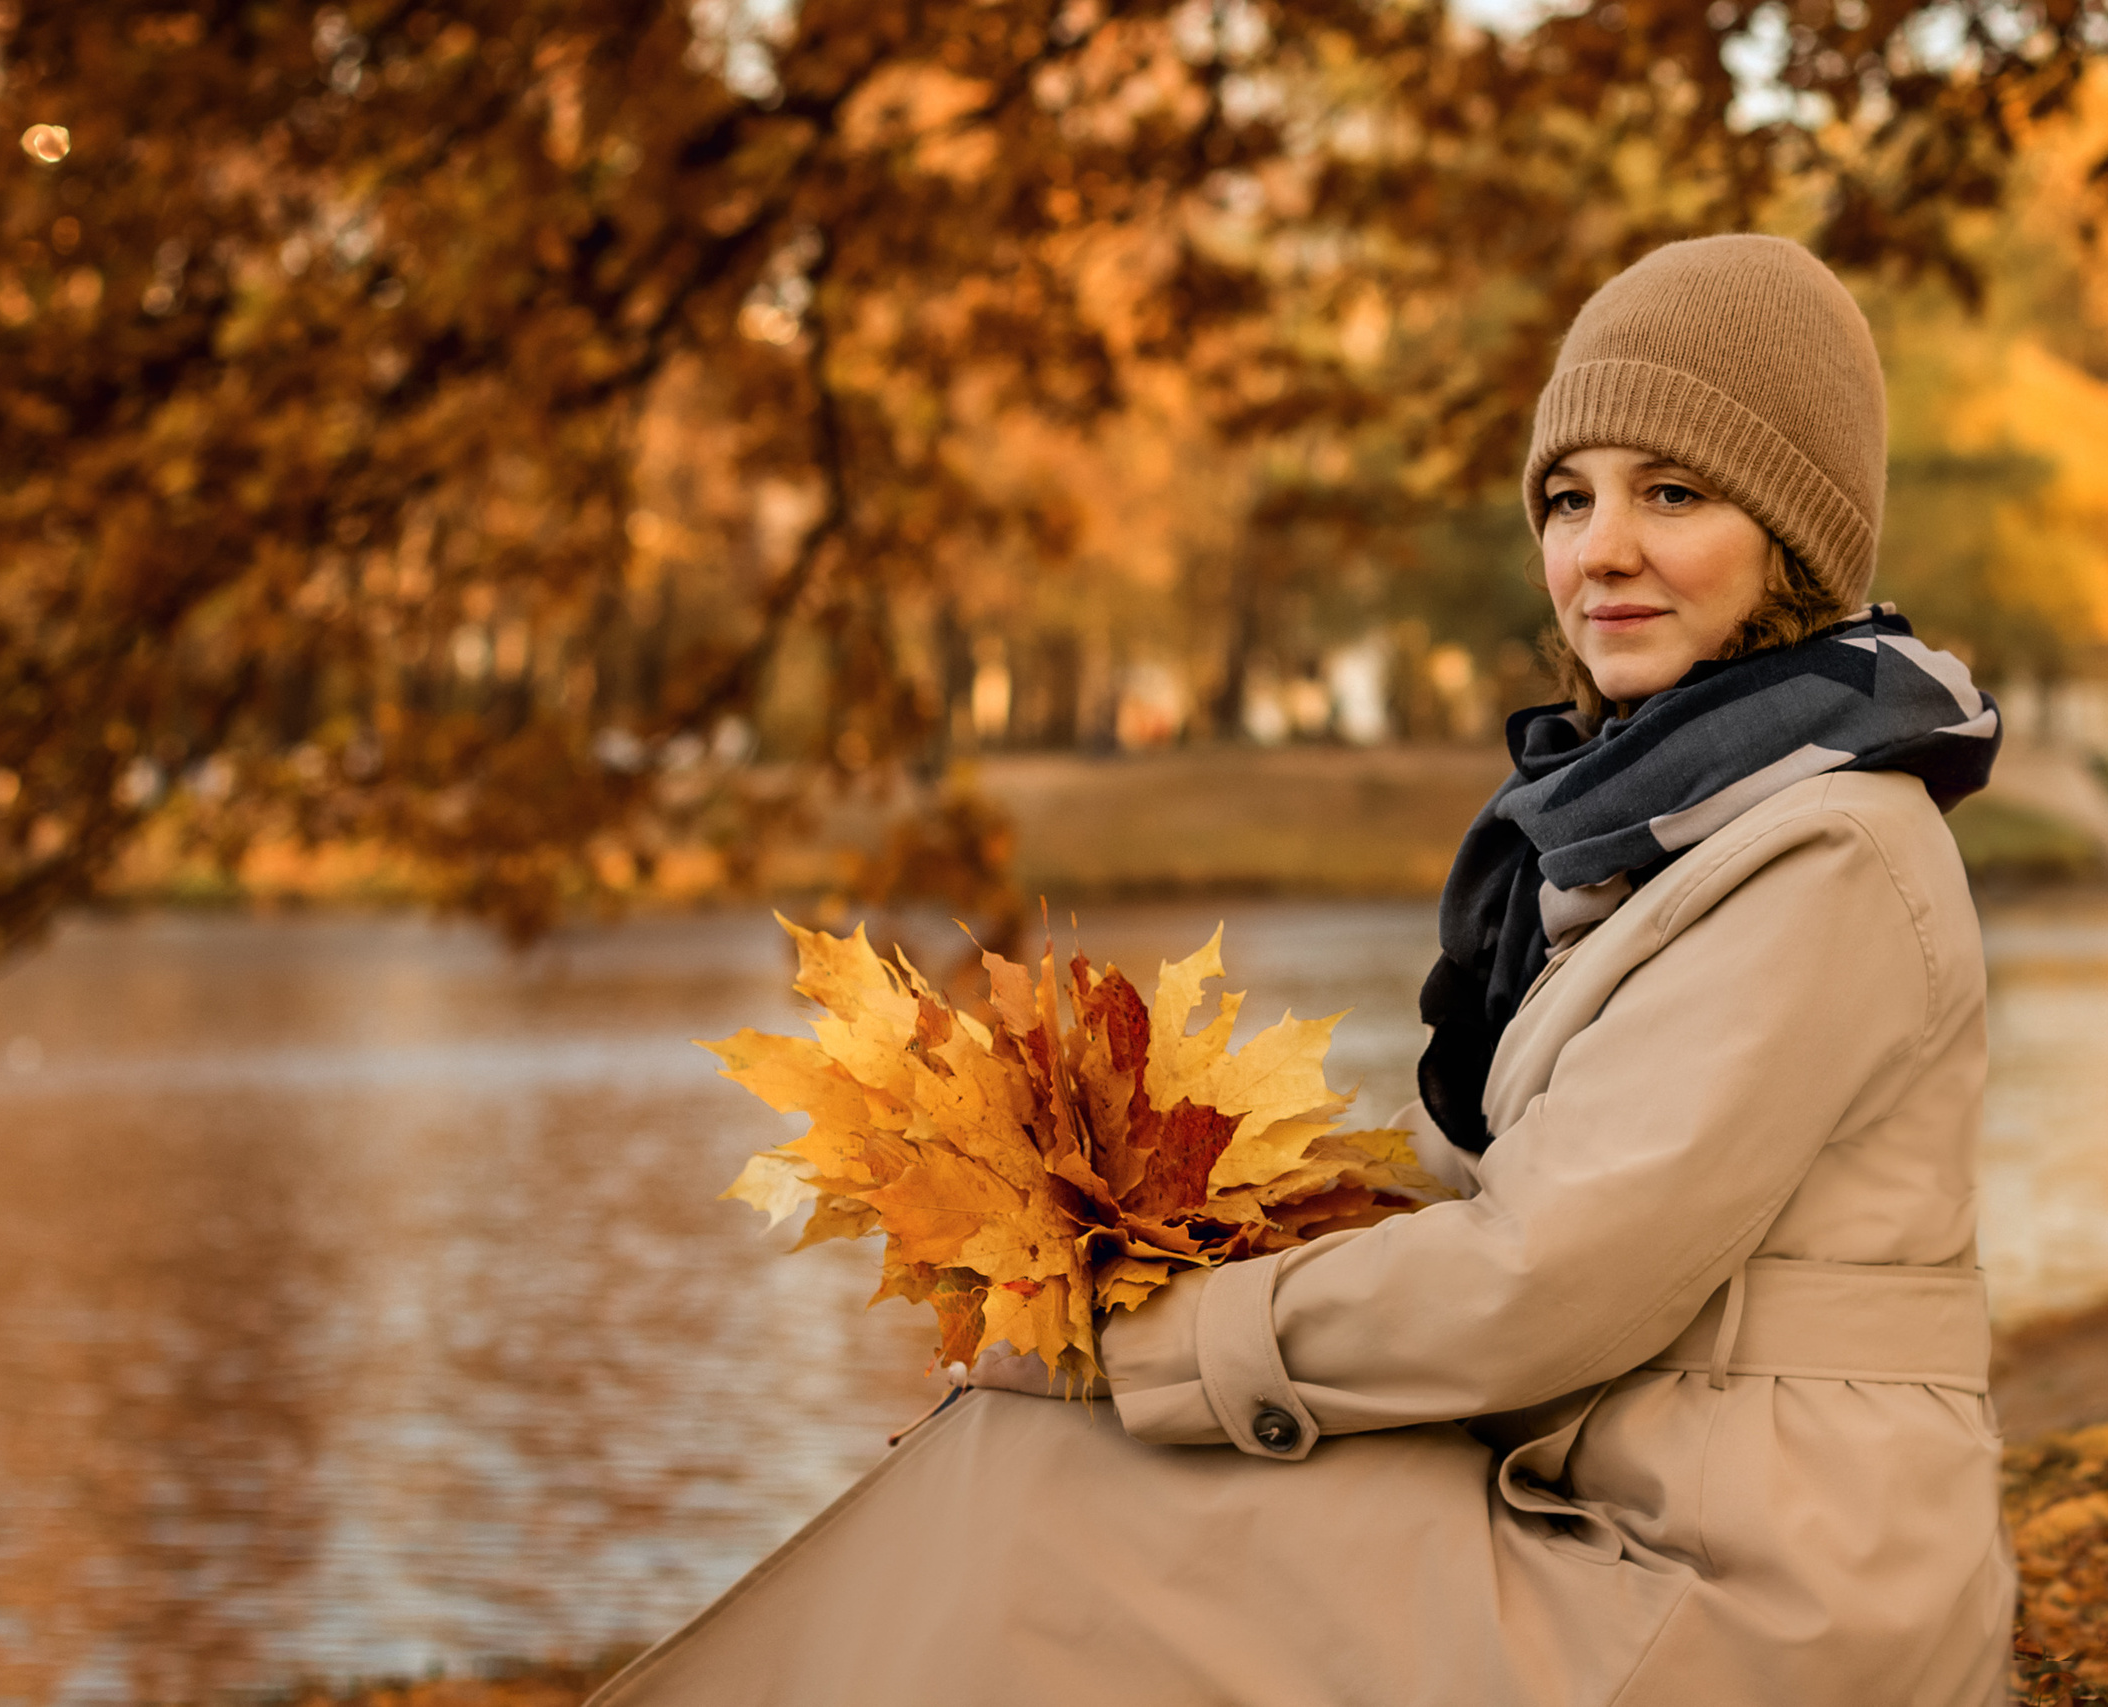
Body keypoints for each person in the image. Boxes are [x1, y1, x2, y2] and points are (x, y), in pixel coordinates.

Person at [588, 234, 2013, 1707]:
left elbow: (1548, 1282)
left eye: (1675, 494)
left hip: (1766, 1596)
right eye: (1569, 498)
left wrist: (1128, 1357)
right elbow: (1517, 1228)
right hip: (1629, 1502)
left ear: (1798, 533)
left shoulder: (1824, 850)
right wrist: (1149, 1282)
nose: (1600, 550)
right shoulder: (1664, 827)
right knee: (1043, 1463)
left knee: (1056, 1472)